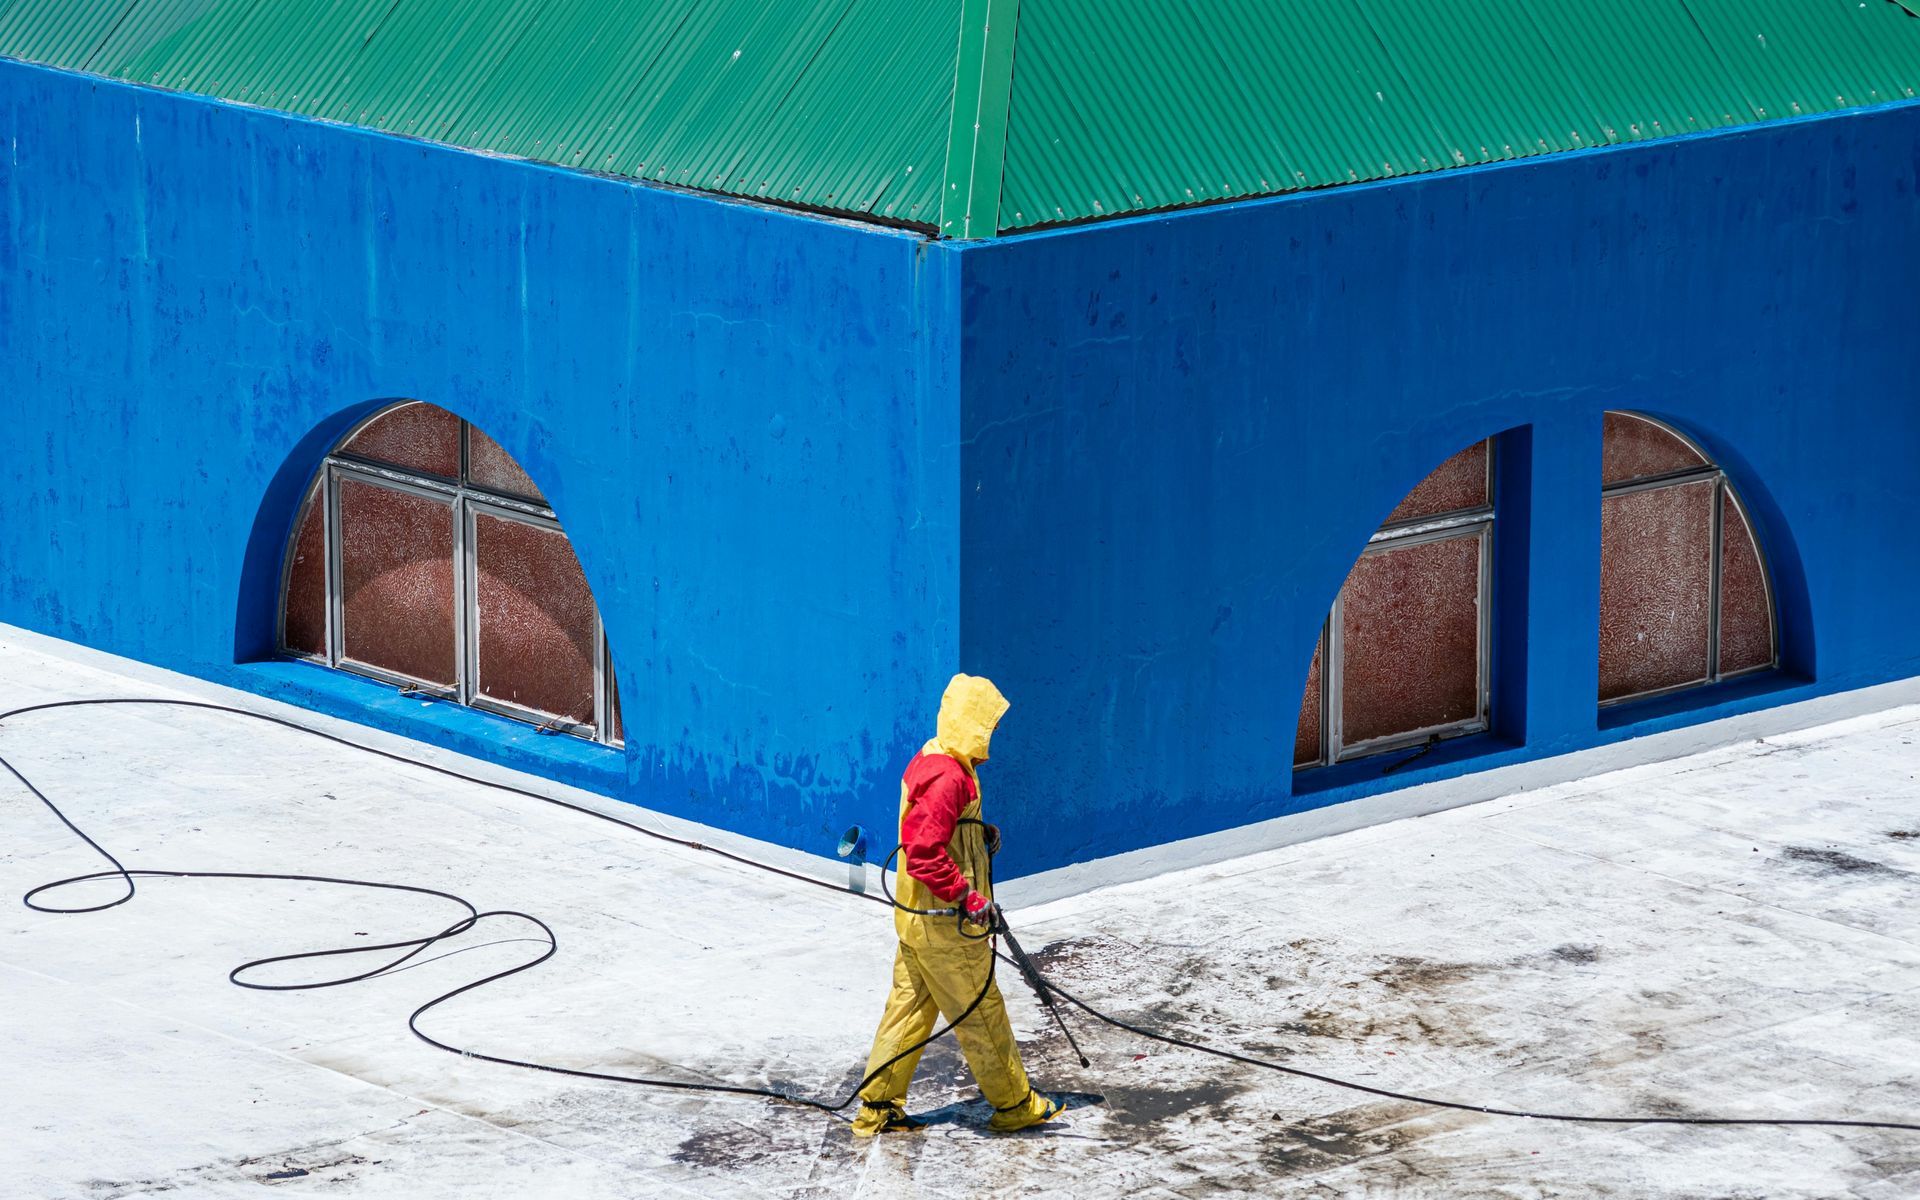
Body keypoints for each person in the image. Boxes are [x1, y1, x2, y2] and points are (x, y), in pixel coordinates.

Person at [850, 673, 1064, 1136]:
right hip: (945, 924)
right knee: (982, 1011)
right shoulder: (950, 777)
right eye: (989, 725)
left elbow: (932, 828)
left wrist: (976, 834)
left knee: (908, 1010)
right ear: (973, 723)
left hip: (915, 920)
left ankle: (878, 1106)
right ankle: (1014, 1104)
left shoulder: (933, 757)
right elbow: (925, 851)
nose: (992, 736)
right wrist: (967, 896)